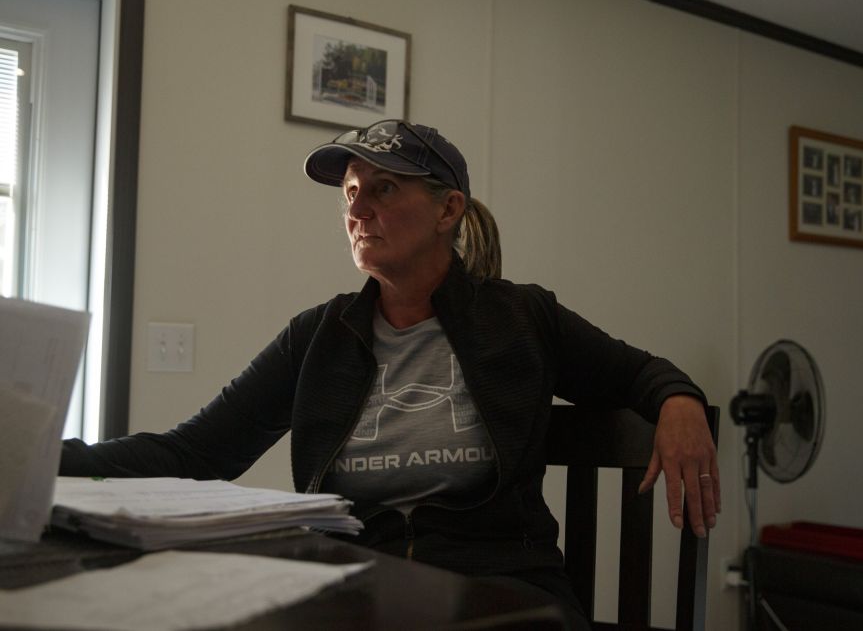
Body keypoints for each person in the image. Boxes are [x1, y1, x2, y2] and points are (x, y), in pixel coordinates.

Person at [60, 120, 720, 628]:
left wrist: (680, 399)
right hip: (355, 585)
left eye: (384, 188)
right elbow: (194, 451)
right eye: (351, 193)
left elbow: (640, 373)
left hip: (504, 590)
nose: (358, 208)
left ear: (448, 209)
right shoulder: (317, 337)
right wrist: (47, 465)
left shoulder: (521, 317)